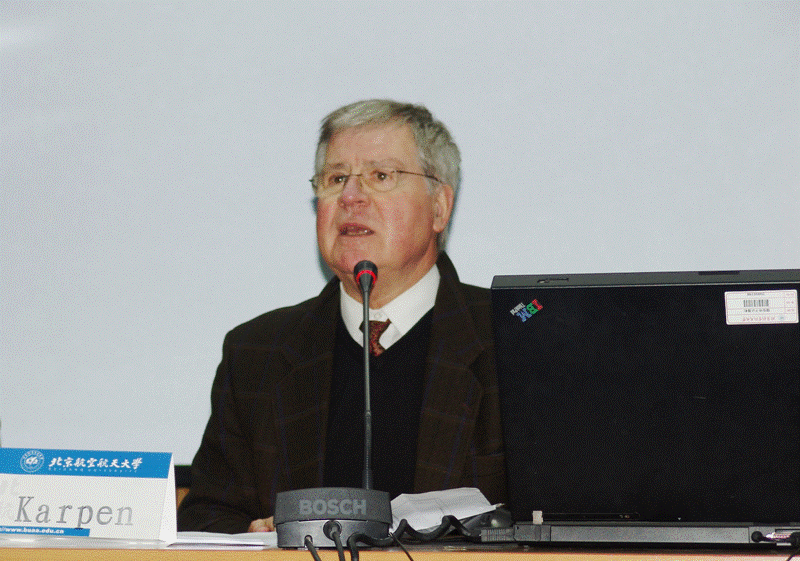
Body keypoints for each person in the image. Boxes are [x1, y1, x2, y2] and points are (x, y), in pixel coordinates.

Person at [177, 99, 506, 533]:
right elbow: (205, 517)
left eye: (381, 176)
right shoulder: (257, 353)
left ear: (440, 207)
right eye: (335, 179)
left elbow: (559, 518)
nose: (351, 197)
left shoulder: (511, 344)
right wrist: (255, 540)